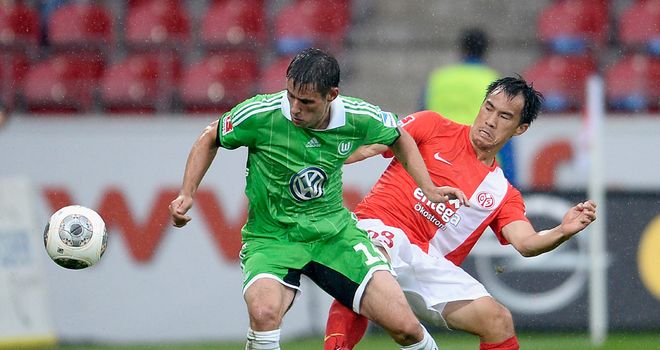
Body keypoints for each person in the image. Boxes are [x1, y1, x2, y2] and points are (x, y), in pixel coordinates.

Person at [169, 48, 468, 350]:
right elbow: (211, 136)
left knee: (406, 328)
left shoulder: (356, 116)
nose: (295, 108)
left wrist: (428, 188)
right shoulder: (261, 114)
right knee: (264, 313)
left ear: (332, 95)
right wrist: (187, 193)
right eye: (290, 96)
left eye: (306, 102)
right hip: (273, 238)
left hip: (333, 234)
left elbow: (398, 135)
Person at [324, 77, 597, 350]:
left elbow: (526, 243)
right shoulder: (431, 125)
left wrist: (562, 231)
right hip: (378, 229)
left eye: (504, 116)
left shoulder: (503, 192)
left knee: (498, 321)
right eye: (488, 108)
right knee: (370, 266)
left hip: (427, 264)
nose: (490, 120)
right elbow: (368, 148)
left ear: (520, 128)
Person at [423, 27, 518, 187]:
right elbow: (505, 132)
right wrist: (511, 180)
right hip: (479, 163)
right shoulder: (495, 82)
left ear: (462, 49)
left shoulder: (439, 79)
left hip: (439, 160)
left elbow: (422, 121)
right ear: (486, 50)